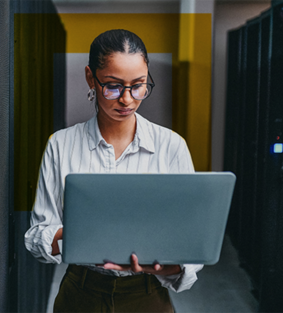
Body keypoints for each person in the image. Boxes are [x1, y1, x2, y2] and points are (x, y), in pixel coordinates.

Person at [23, 29, 202, 313]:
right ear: (90, 77)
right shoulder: (61, 145)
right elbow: (37, 236)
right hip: (80, 294)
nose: (127, 99)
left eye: (139, 85)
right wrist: (78, 236)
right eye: (114, 86)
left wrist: (162, 265)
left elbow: (192, 240)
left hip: (147, 294)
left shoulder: (171, 146)